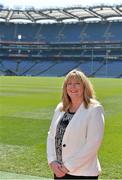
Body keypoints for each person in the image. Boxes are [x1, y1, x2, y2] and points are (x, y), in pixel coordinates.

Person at [47, 69, 105, 179]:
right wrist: (52, 161)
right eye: (69, 84)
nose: (73, 87)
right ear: (65, 87)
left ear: (85, 87)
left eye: (77, 83)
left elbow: (93, 144)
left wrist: (68, 167)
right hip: (58, 169)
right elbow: (51, 135)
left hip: (82, 173)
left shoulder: (94, 109)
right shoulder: (61, 107)